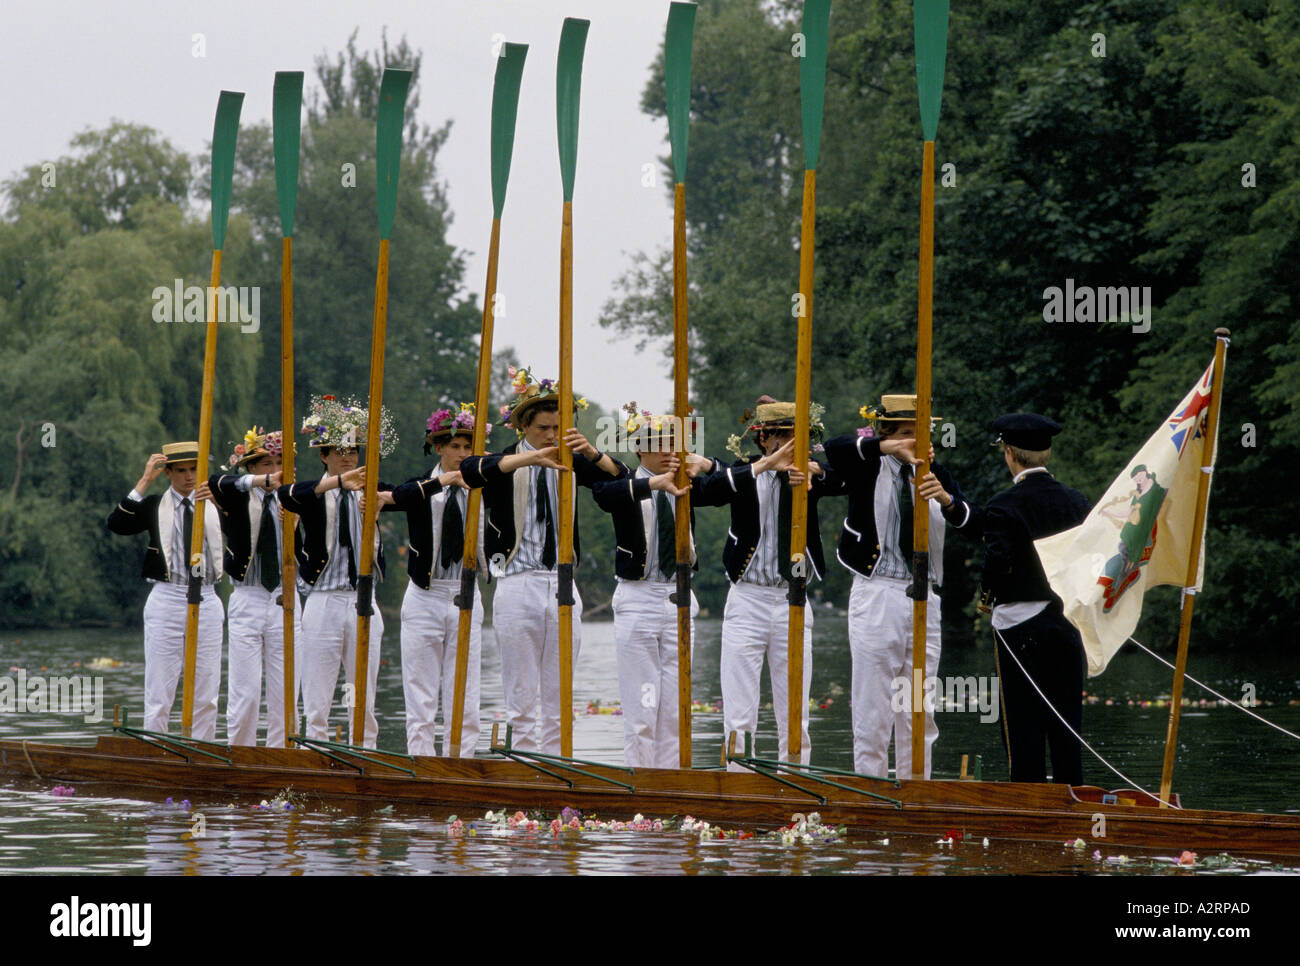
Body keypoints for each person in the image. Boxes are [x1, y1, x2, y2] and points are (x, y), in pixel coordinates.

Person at [459, 366, 626, 754]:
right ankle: (523, 763)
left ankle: (556, 762)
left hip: (562, 583)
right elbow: (471, 471)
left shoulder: (572, 461)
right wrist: (530, 461)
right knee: (521, 690)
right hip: (516, 582)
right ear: (523, 428)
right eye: (542, 430)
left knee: (559, 690)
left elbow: (622, 480)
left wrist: (594, 453)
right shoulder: (503, 462)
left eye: (556, 428)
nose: (551, 436)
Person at [824, 394, 973, 780]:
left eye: (921, 434)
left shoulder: (933, 470)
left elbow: (967, 518)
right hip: (878, 591)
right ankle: (870, 784)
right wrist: (888, 448)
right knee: (874, 704)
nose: (916, 442)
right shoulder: (866, 464)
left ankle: (916, 787)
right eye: (907, 434)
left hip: (924, 594)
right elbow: (834, 448)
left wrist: (946, 499)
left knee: (919, 705)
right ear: (887, 434)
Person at [697, 395, 843, 767]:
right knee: (740, 711)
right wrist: (764, 466)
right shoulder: (747, 472)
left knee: (795, 711)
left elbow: (846, 477)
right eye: (781, 437)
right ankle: (739, 782)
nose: (790, 446)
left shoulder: (810, 473)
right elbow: (705, 491)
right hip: (747, 599)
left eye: (797, 437)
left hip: (792, 599)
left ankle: (796, 782)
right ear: (763, 439)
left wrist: (815, 472)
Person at [591, 406, 724, 768]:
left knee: (675, 706)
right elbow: (604, 494)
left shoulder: (688, 483)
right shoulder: (627, 483)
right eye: (660, 443)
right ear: (640, 448)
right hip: (638, 598)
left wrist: (706, 463)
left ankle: (674, 778)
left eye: (674, 443)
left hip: (679, 596)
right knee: (641, 704)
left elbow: (732, 481)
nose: (669, 450)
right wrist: (654, 484)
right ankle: (642, 777)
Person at [971, 412, 1091, 784]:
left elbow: (999, 561)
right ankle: (1073, 801)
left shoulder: (1003, 505)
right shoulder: (1078, 502)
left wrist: (986, 599)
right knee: (1066, 722)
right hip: (1068, 624)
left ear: (1009, 453)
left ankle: (1029, 802)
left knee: (1022, 725)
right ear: (1046, 454)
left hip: (1019, 627)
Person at [278, 395, 398, 749]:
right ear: (324, 455)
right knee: (318, 695)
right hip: (324, 601)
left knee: (362, 696)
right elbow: (287, 494)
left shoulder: (371, 489)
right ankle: (313, 753)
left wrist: (379, 499)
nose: (348, 457)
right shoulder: (312, 494)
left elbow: (409, 493)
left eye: (354, 451)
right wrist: (336, 484)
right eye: (340, 451)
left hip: (363, 601)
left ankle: (365, 755)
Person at [376, 403, 489, 758]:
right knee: (421, 692)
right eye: (454, 447)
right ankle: (421, 762)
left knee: (465, 692)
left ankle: (461, 761)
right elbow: (399, 495)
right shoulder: (421, 487)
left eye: (468, 447)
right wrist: (443, 480)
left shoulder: (484, 488)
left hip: (466, 594)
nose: (461, 454)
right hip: (425, 595)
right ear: (438, 447)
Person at [107, 441, 225, 739]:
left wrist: (222, 503)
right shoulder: (154, 505)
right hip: (168, 596)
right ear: (168, 472)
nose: (189, 476)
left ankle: (202, 750)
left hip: (208, 596)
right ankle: (154, 747)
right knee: (160, 688)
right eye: (182, 470)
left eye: (194, 469)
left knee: (207, 689)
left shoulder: (216, 503)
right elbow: (117, 523)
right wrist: (145, 480)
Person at [195, 428, 301, 747]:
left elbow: (311, 552)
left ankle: (282, 756)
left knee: (285, 694)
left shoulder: (297, 498)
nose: (275, 469)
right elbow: (213, 482)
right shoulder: (239, 495)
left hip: (286, 599)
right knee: (247, 694)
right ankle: (241, 752)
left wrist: (295, 525)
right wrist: (261, 484)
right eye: (268, 463)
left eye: (280, 462)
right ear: (252, 467)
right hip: (248, 597)